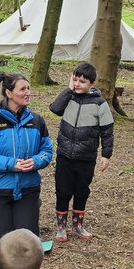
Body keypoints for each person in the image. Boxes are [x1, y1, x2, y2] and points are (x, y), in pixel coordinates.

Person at [0, 72, 54, 242]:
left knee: (27, 241)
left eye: (28, 88)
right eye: (22, 89)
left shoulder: (37, 121)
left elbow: (47, 151)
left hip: (27, 189)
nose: (28, 92)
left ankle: (28, 210)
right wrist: (11, 164)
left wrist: (36, 161)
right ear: (9, 93)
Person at [48, 62, 113, 242]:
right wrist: (68, 90)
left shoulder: (100, 103)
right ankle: (61, 227)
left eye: (82, 82)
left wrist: (106, 155)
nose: (77, 84)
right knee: (62, 190)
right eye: (75, 80)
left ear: (92, 84)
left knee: (81, 191)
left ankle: (77, 226)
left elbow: (107, 130)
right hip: (65, 155)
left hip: (86, 157)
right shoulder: (68, 97)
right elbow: (54, 109)